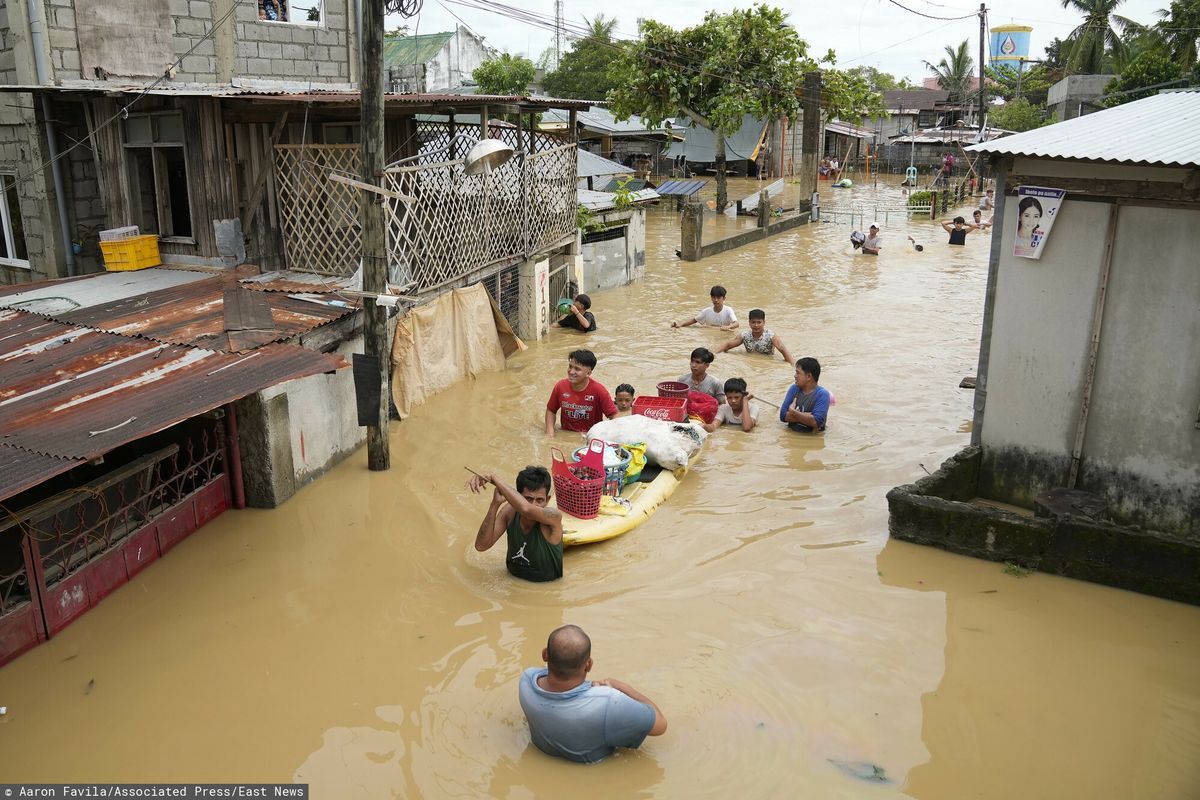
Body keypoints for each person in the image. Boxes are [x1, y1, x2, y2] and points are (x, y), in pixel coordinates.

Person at [519, 625, 667, 763]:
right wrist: (618, 687)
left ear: (545, 654)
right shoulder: (609, 702)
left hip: (544, 756)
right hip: (590, 769)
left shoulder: (526, 680)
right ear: (589, 664)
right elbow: (661, 725)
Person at [468, 467, 563, 583]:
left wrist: (494, 478)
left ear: (547, 500)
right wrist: (495, 504)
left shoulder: (554, 517)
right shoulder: (509, 512)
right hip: (512, 580)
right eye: (528, 498)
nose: (534, 504)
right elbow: (481, 546)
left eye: (540, 500)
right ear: (518, 497)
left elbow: (527, 510)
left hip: (546, 588)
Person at [545, 349, 618, 435]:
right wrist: (550, 434)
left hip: (589, 437)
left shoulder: (599, 391)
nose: (571, 372)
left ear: (588, 373)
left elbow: (614, 416)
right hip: (566, 434)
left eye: (577, 369)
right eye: (570, 366)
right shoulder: (560, 386)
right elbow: (551, 410)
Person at [714, 308, 794, 364]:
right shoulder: (744, 335)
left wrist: (792, 365)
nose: (756, 325)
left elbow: (783, 349)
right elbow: (727, 345)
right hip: (750, 363)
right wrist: (714, 354)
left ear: (764, 322)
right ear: (749, 322)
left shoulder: (771, 335)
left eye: (759, 322)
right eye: (753, 322)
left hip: (767, 363)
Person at [780, 357, 830, 433]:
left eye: (798, 373)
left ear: (808, 377)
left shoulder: (822, 394)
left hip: (812, 439)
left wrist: (793, 412)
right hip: (792, 434)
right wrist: (808, 416)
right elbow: (783, 416)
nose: (795, 376)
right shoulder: (794, 388)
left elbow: (817, 422)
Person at [671, 285, 738, 330]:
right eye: (714, 297)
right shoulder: (706, 311)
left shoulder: (728, 310)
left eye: (718, 297)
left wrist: (728, 327)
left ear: (724, 298)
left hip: (725, 335)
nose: (716, 300)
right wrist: (680, 325)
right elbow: (694, 320)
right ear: (711, 298)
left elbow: (736, 324)